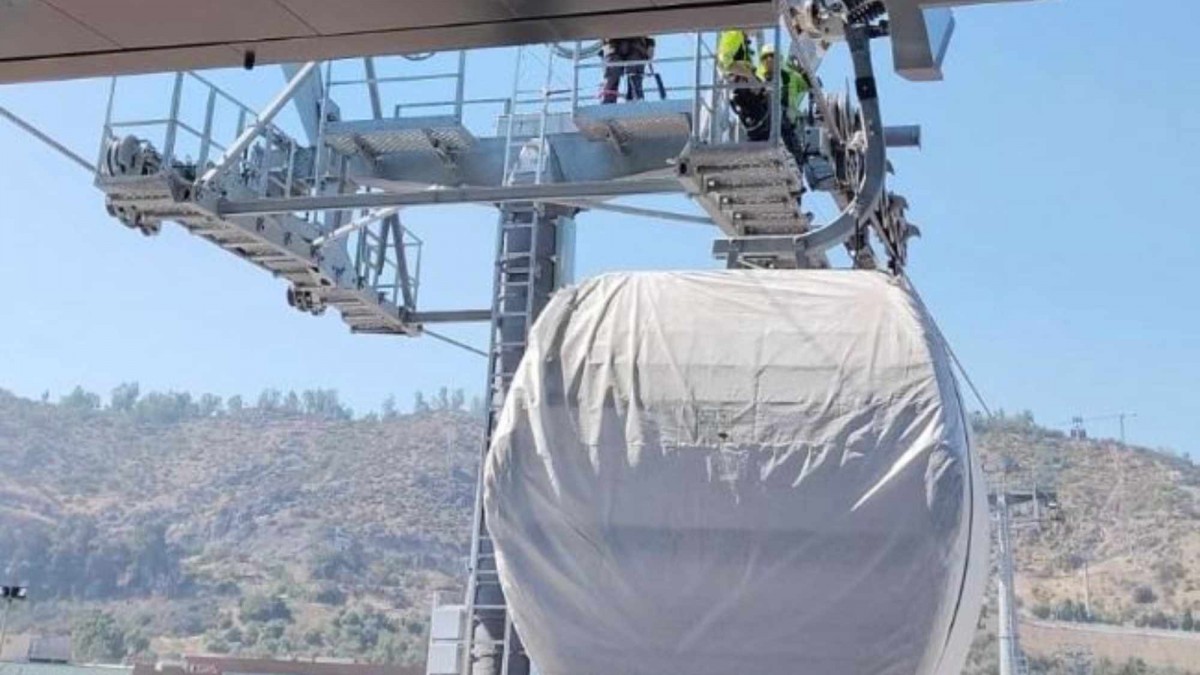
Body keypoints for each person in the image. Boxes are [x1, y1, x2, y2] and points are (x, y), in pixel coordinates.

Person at [716, 29, 769, 141]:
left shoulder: (740, 38)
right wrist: (750, 77)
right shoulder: (734, 34)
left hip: (746, 90)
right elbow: (725, 63)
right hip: (743, 90)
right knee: (758, 127)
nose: (759, 28)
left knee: (763, 124)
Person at [756, 43, 809, 154]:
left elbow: (807, 85)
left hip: (787, 125)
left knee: (794, 154)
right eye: (765, 57)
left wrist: (803, 71)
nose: (769, 59)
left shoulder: (791, 76)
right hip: (764, 126)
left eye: (772, 56)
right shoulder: (757, 79)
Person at [600, 36, 656, 104]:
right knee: (613, 76)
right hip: (615, 44)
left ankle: (634, 101)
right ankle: (609, 101)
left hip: (633, 44)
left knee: (633, 77)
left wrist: (650, 44)